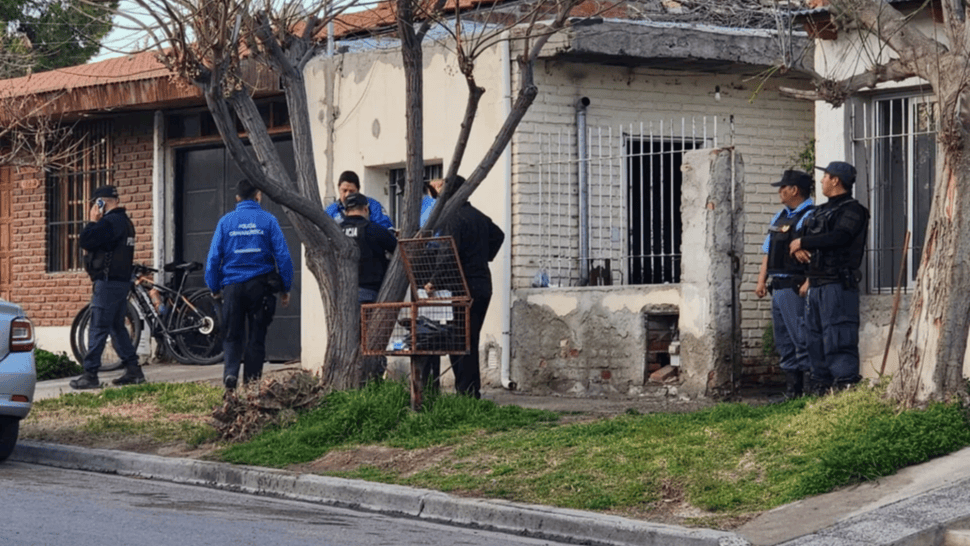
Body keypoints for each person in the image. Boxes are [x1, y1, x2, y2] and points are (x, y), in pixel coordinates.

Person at [205, 179, 294, 391]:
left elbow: (214, 258)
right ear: (258, 195)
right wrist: (285, 287)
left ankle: (230, 376)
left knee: (232, 335)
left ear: (237, 198)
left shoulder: (226, 222)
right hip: (260, 288)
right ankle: (252, 387)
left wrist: (214, 287)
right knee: (256, 337)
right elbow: (283, 257)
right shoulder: (268, 220)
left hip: (233, 288)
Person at [790, 161, 869, 394]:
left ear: (835, 180)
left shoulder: (853, 210)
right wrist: (798, 248)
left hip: (838, 284)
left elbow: (840, 236)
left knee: (838, 337)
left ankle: (845, 386)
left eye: (825, 177)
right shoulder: (819, 211)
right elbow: (797, 236)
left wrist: (803, 242)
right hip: (816, 283)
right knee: (814, 338)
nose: (822, 180)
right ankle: (820, 387)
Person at [425, 175, 504, 398]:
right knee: (470, 337)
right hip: (482, 285)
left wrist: (433, 281)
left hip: (461, 287)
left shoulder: (452, 219)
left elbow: (447, 253)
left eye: (441, 191)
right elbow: (499, 235)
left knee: (459, 341)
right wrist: (484, 256)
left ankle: (467, 392)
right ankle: (469, 391)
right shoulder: (478, 216)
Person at [70, 185, 144, 389]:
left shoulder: (110, 223)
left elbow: (86, 239)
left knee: (98, 327)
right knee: (116, 327)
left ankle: (90, 374)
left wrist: (93, 220)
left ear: (100, 203)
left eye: (95, 204)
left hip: (108, 282)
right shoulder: (126, 223)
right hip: (121, 283)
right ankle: (133, 370)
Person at [754, 170, 814, 400]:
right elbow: (768, 253)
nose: (779, 191)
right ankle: (792, 392)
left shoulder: (811, 216)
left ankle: (808, 392)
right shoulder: (780, 216)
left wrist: (809, 281)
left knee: (801, 337)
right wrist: (761, 281)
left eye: (783, 187)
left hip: (795, 286)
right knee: (784, 340)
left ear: (794, 190)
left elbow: (817, 255)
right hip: (777, 285)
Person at [339, 192, 398, 303]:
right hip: (369, 292)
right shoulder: (375, 230)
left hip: (341, 291)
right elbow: (398, 251)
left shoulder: (335, 231)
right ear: (366, 209)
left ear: (346, 211)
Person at [325, 170, 394, 230]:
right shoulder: (330, 210)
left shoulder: (373, 206)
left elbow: (387, 230)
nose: (347, 194)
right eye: (344, 190)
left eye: (351, 191)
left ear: (358, 190)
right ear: (339, 188)